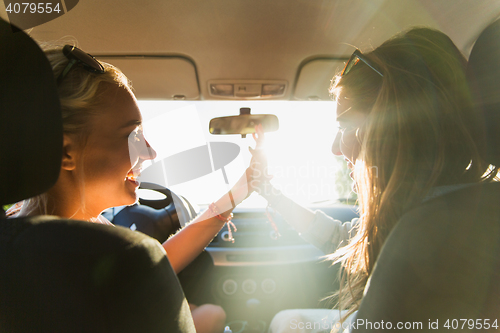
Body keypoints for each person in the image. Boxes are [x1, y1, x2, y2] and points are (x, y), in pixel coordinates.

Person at [248, 27, 498, 332]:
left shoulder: (415, 236)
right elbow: (341, 237)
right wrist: (270, 192)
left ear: (389, 130)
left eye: (345, 124)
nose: (335, 148)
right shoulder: (443, 211)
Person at [7, 44, 256, 333]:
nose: (150, 152)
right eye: (132, 135)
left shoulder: (34, 240)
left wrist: (239, 190)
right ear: (65, 152)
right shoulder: (78, 254)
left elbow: (151, 267)